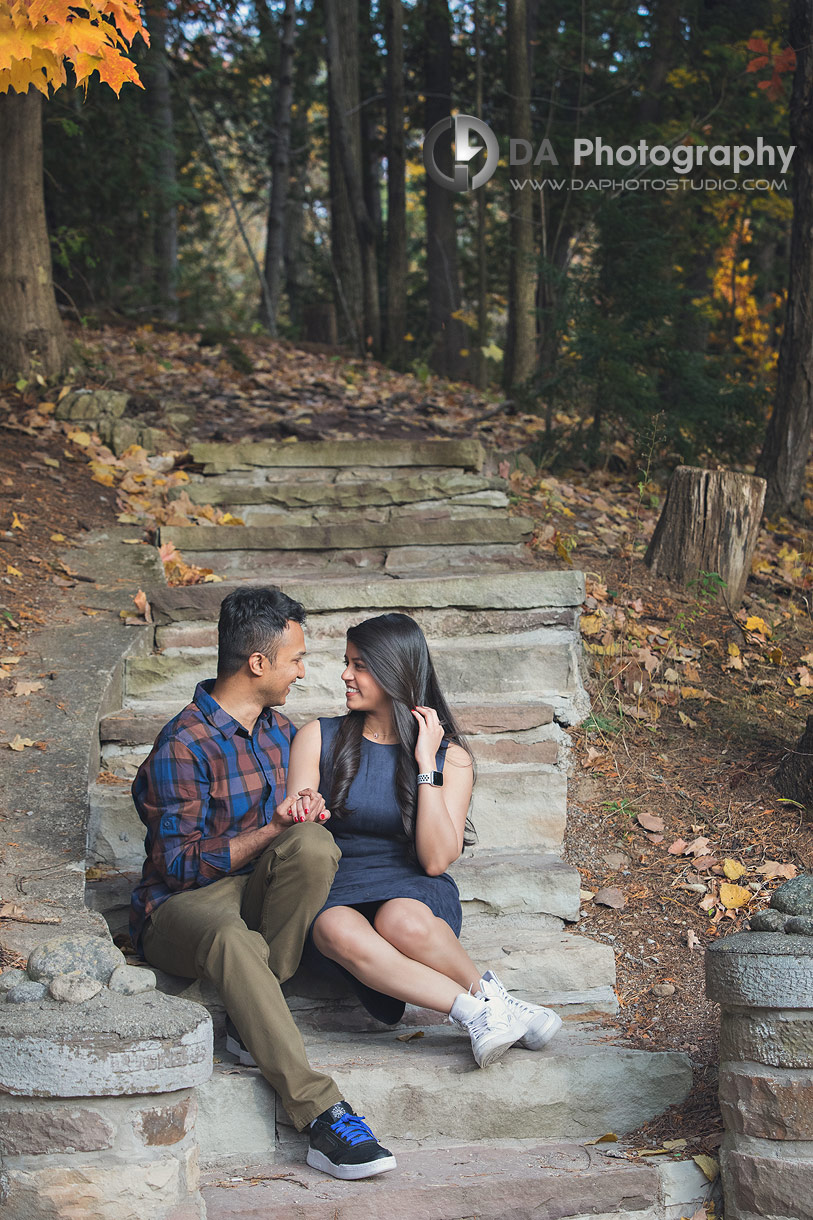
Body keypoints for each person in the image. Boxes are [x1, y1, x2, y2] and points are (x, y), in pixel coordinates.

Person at [129, 586, 396, 1181]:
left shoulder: (280, 732)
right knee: (233, 940)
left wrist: (304, 815)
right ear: (258, 663)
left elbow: (298, 840)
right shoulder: (183, 744)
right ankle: (322, 1114)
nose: (304, 672)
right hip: (180, 907)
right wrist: (271, 827)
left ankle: (255, 1016)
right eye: (296, 659)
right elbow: (177, 869)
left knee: (314, 844)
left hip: (251, 892)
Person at [286, 612, 562, 1068]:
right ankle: (482, 1010)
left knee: (401, 919)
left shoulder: (450, 759)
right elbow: (298, 834)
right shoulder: (317, 737)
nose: (345, 675)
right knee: (332, 926)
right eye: (346, 662)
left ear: (395, 672)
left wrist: (425, 764)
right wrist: (303, 809)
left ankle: (491, 1002)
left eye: (359, 665)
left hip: (412, 887)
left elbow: (435, 861)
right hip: (334, 886)